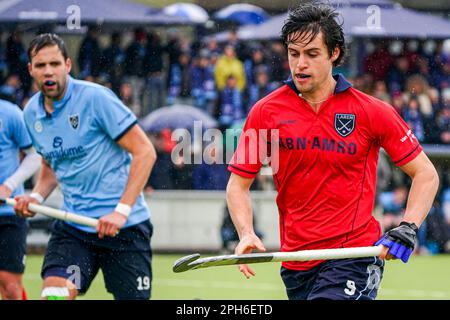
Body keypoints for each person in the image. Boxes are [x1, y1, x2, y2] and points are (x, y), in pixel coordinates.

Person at [226, 4, 439, 300]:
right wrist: (246, 231)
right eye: (294, 54)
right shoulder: (265, 112)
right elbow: (238, 185)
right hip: (296, 263)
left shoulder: (372, 111)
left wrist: (408, 227)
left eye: (312, 54)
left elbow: (426, 174)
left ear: (334, 53)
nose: (300, 64)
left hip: (354, 257)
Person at [14, 34, 157, 300]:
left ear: (67, 65)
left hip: (125, 229)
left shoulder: (95, 99)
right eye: (41, 65)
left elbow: (145, 152)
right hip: (75, 230)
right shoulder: (31, 113)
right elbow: (51, 164)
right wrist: (34, 197)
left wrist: (120, 212)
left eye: (55, 64)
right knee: (55, 294)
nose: (49, 72)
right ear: (30, 69)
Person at [0, 98, 41, 299]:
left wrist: (8, 186)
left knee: (10, 286)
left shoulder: (9, 113)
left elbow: (35, 155)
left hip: (8, 214)